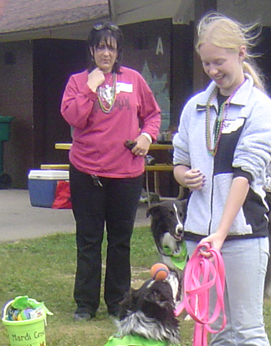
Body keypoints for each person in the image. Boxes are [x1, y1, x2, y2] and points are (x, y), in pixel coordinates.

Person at [173, 13, 271, 346]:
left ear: (241, 54)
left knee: (247, 328)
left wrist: (219, 232)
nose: (213, 71)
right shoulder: (195, 107)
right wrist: (182, 176)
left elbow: (243, 174)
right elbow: (181, 156)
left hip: (241, 236)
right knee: (215, 327)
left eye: (220, 62)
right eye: (206, 65)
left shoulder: (262, 110)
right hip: (200, 236)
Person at [61, 21, 161, 321]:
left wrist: (146, 137)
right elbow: (74, 118)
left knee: (121, 240)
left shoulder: (133, 80)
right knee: (89, 240)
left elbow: (153, 114)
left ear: (118, 52)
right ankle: (85, 304)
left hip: (126, 174)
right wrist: (91, 87)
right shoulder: (78, 82)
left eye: (111, 47)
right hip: (87, 172)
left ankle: (118, 301)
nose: (106, 53)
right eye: (100, 47)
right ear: (92, 51)